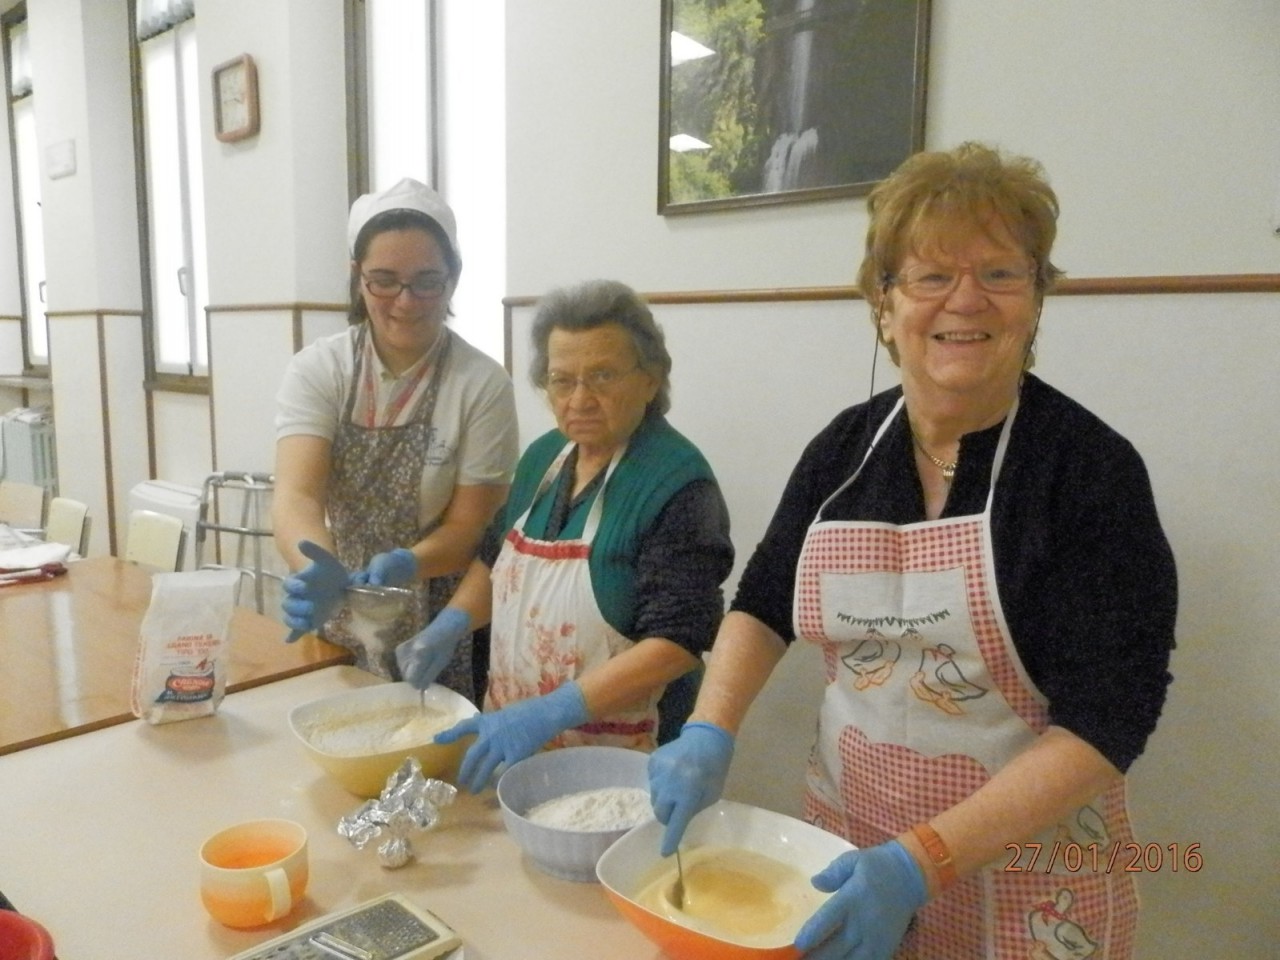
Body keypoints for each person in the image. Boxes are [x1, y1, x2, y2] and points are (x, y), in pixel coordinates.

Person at [648, 142, 1176, 959]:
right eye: (932, 276)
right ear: (884, 303)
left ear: (1036, 300)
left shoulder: (1090, 472)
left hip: (1024, 876)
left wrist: (924, 860)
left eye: (1001, 273)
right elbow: (762, 602)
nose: (967, 300)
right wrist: (709, 729)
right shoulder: (844, 450)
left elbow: (1110, 720)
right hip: (848, 854)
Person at [395, 279, 734, 793]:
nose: (580, 399)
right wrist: (447, 626)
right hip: (512, 740)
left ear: (651, 378)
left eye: (602, 376)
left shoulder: (678, 483)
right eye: (561, 380)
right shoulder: (543, 458)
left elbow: (678, 643)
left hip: (623, 759)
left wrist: (551, 712)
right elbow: (495, 564)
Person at [272, 178, 519, 700]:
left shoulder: (481, 385)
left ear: (453, 279)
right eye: (384, 280)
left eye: (427, 281)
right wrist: (313, 563)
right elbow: (297, 495)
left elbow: (473, 525)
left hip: (444, 621)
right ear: (356, 277)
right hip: (340, 610)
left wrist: (410, 563)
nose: (405, 302)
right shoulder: (321, 369)